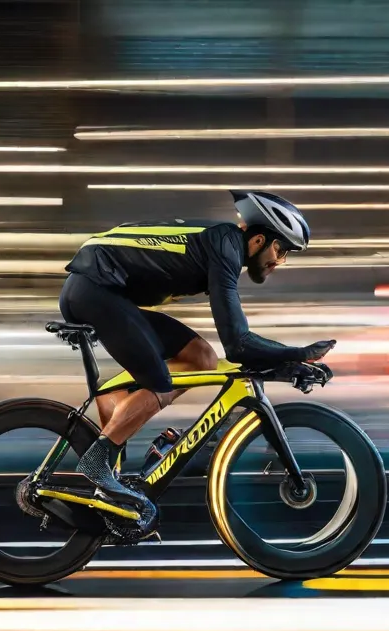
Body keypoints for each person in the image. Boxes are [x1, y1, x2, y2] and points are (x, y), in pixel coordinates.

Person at [59, 189, 336, 532]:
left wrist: (283, 361)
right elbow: (238, 344)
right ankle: (98, 458)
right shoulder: (226, 246)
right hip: (94, 292)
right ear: (259, 239)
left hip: (100, 292)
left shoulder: (222, 245)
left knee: (201, 357)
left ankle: (114, 442)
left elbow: (231, 347)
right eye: (280, 249)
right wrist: (295, 354)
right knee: (159, 380)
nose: (280, 261)